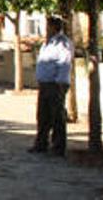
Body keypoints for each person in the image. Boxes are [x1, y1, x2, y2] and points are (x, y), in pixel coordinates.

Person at [29, 17, 73, 156]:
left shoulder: (63, 43)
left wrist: (60, 84)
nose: (45, 29)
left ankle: (58, 146)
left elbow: (64, 63)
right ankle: (41, 143)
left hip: (55, 84)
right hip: (45, 83)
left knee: (57, 117)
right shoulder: (47, 43)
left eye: (48, 26)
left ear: (54, 27)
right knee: (43, 115)